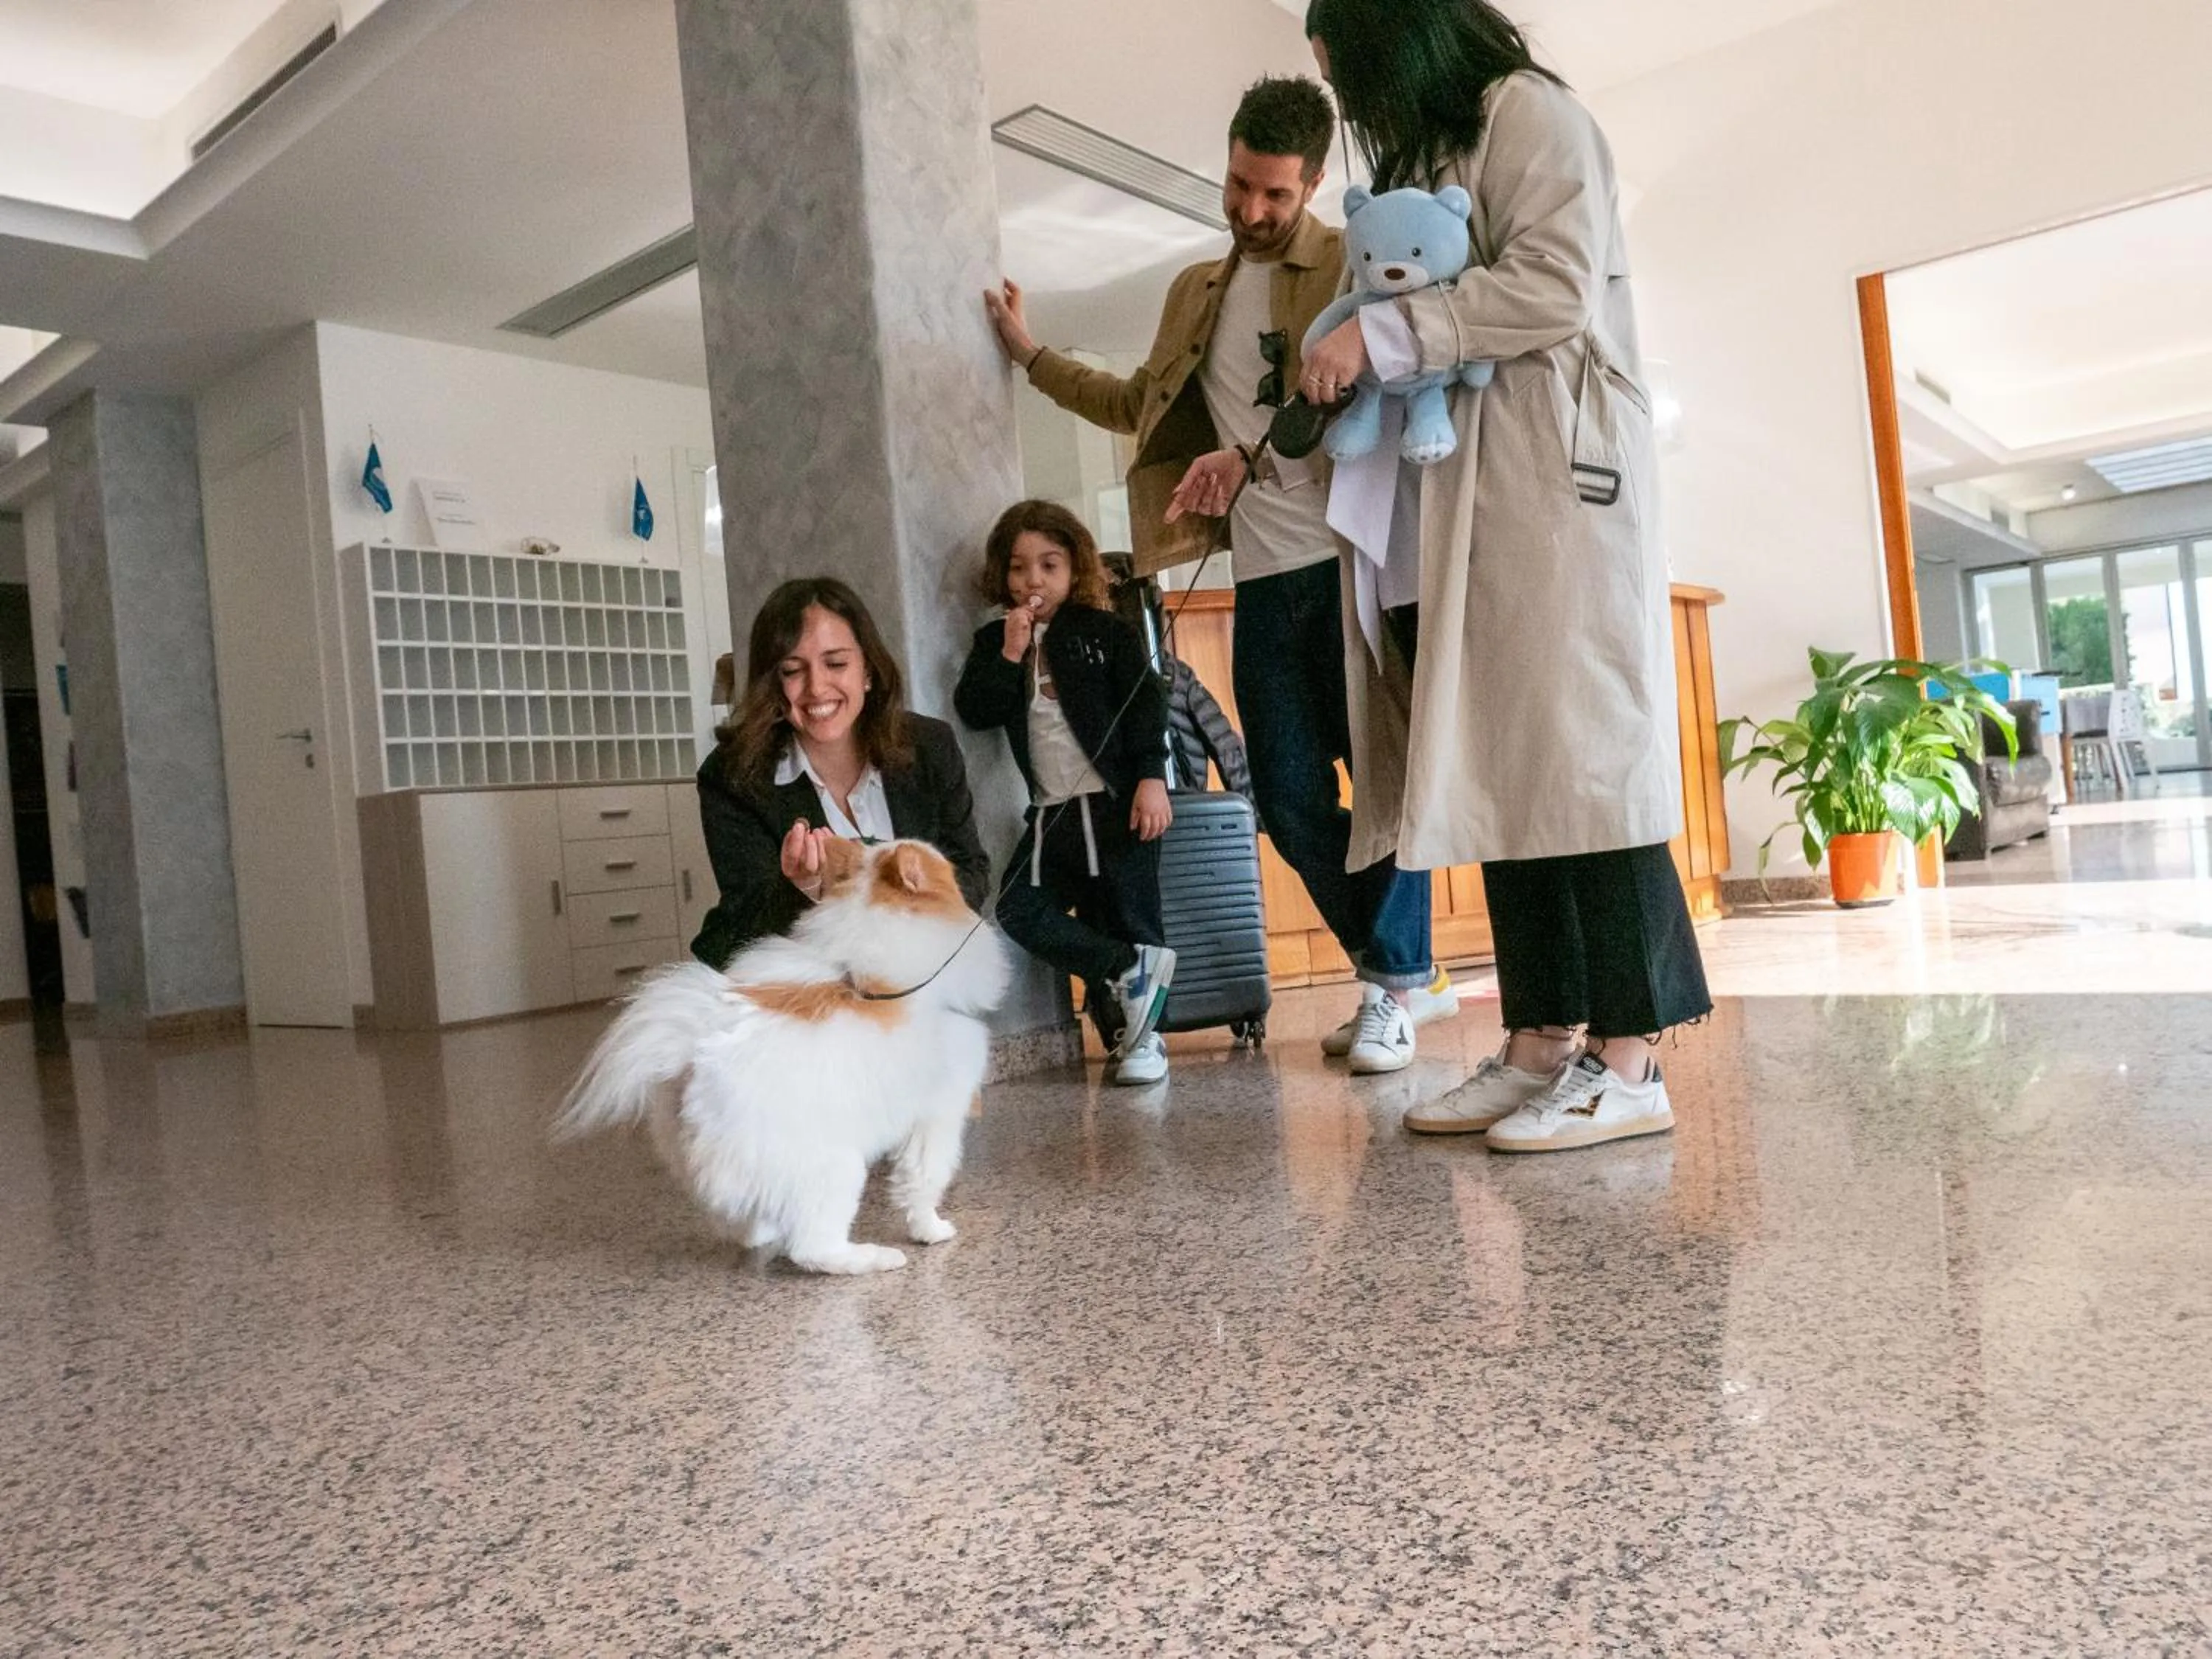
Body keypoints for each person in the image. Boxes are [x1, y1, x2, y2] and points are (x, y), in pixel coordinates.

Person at [985, 74, 1459, 1078]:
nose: (1251, 209)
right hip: (1265, 580)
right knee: (1282, 798)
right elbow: (1137, 405)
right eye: (1240, 184)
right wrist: (1030, 356)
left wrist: (1254, 454)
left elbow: (1380, 381)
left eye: (1275, 193)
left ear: (1315, 184)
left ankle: (1391, 986)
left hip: (1356, 560)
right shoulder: (1195, 291)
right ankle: (1399, 969)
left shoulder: (1353, 260)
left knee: (1384, 783)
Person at [1301, 0, 1712, 1151]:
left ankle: (1630, 1060)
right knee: (1509, 770)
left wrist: (1381, 337)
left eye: (1347, 75)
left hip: (1554, 487)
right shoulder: (1436, 152)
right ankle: (1541, 1039)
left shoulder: (1530, 114)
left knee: (1586, 766)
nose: (1350, 103)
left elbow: (1552, 286)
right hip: (1465, 504)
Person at [954, 502, 1178, 1088]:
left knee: (1130, 914)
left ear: (1074, 568)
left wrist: (1151, 776)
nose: (1033, 580)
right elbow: (976, 709)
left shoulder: (1106, 632)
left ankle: (1144, 1039)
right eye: (1019, 567)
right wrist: (1009, 653)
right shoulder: (995, 640)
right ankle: (1125, 969)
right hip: (1051, 815)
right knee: (1016, 909)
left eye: (1049, 565)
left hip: (1117, 805)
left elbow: (1146, 703)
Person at [691, 577, 991, 972]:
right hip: (794, 984)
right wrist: (802, 890)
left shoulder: (930, 745)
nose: (817, 688)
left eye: (836, 664)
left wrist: (912, 910)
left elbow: (971, 872)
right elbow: (747, 920)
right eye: (792, 670)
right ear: (774, 684)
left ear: (868, 670)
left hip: (915, 973)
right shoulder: (732, 776)